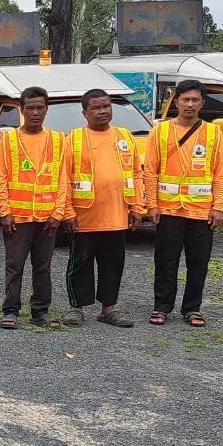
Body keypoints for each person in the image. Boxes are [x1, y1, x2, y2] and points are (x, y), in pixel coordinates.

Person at [146, 78, 223, 327]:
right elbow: (150, 170)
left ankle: (192, 309)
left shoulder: (213, 132)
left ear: (202, 103)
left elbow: (219, 172)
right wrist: (152, 204)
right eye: (185, 100)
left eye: (195, 100)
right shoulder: (160, 131)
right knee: (165, 261)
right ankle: (161, 307)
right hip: (168, 209)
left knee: (198, 263)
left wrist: (218, 207)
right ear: (176, 102)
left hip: (201, 211)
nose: (190, 104)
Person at [61, 88, 144, 329]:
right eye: (96, 107)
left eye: (106, 106)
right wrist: (68, 212)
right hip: (85, 216)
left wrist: (137, 207)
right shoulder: (74, 139)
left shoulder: (124, 136)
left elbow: (136, 174)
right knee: (80, 262)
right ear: (85, 113)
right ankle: (77, 308)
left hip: (117, 216)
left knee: (113, 263)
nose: (102, 111)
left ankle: (108, 309)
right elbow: (64, 178)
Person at [0, 85, 69, 329]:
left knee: (43, 267)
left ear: (46, 110)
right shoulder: (9, 139)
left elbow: (62, 179)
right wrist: (4, 211)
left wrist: (58, 212)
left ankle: (40, 311)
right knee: (14, 266)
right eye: (30, 108)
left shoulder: (58, 140)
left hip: (47, 217)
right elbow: (1, 177)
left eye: (40, 108)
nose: (35, 113)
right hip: (18, 217)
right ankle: (10, 311)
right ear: (21, 110)